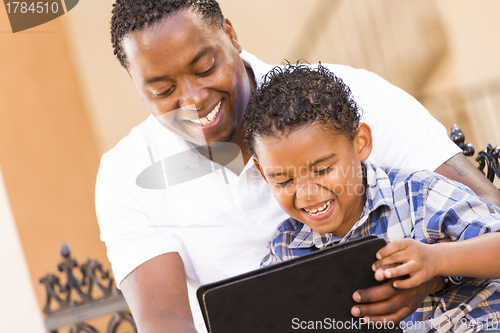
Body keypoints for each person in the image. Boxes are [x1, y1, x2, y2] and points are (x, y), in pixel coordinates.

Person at [96, 0, 500, 332]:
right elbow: (164, 320)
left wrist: (433, 269)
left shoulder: (349, 98)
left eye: (204, 68)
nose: (193, 99)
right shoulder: (125, 175)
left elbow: (488, 212)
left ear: (231, 35)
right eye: (164, 90)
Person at [245, 63, 500, 332]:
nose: (307, 193)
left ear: (361, 142)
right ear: (263, 173)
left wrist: (437, 259)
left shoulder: (419, 195)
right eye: (284, 180)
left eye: (322, 170)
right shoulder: (284, 251)